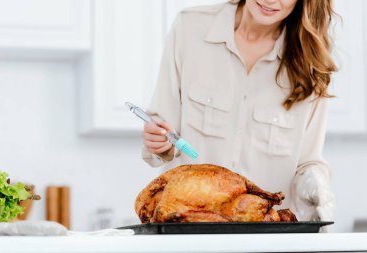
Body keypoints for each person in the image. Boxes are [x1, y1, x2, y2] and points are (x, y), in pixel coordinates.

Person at [142, 0, 337, 224]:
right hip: (186, 231)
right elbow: (162, 133)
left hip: (266, 240)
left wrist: (314, 183)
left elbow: (308, 161)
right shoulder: (190, 28)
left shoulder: (311, 63)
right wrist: (158, 142)